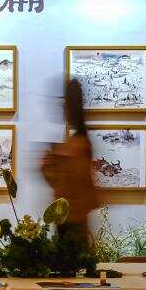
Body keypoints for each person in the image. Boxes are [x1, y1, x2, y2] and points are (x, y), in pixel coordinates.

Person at [40, 77, 102, 245]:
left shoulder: (79, 144)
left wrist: (53, 164)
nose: (61, 110)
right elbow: (62, 181)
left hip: (73, 218)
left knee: (72, 257)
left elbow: (75, 182)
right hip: (67, 217)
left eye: (64, 105)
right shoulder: (78, 142)